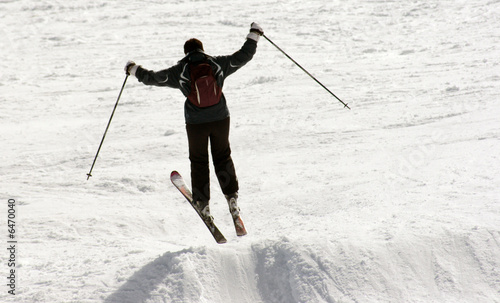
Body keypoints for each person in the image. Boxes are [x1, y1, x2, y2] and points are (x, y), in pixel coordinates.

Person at [124, 23, 263, 224]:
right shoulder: (217, 64)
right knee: (223, 156)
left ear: (186, 53)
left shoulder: (180, 71)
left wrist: (133, 69)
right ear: (202, 49)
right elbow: (244, 55)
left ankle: (203, 203)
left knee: (199, 161)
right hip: (220, 118)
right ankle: (232, 199)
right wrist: (254, 34)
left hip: (196, 123)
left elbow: (153, 78)